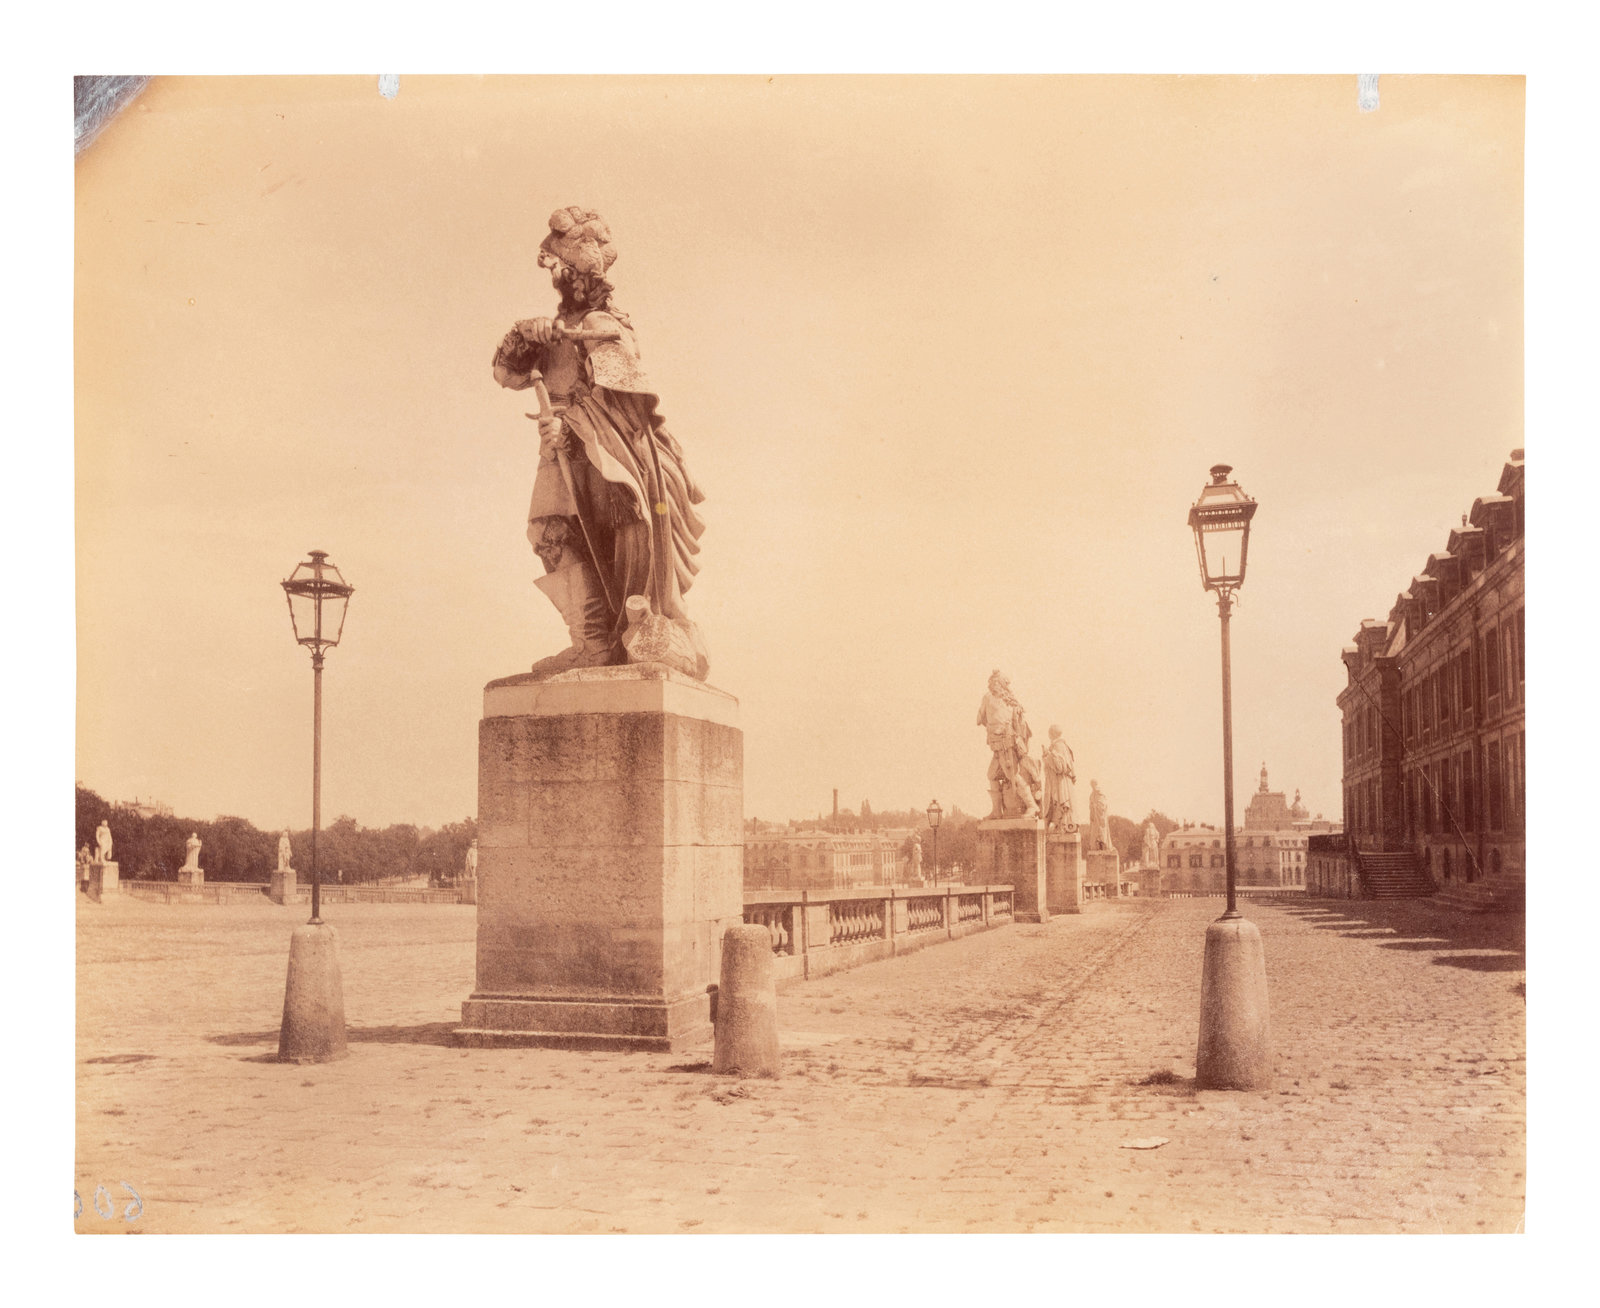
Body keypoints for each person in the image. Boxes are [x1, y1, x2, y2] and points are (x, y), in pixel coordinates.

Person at [492, 206, 708, 678]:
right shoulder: (551, 331)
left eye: (564, 270)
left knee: (622, 533)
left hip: (611, 453)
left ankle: (632, 635)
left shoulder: (608, 325)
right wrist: (523, 334)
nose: (559, 279)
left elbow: (619, 397)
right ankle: (590, 642)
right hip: (563, 449)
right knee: (549, 531)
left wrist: (568, 426)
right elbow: (504, 373)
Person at [976, 671, 1039, 818]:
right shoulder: (988, 698)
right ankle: (997, 811)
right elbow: (979, 719)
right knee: (992, 775)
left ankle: (1032, 806)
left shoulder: (1010, 702)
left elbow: (1019, 725)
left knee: (1013, 775)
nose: (993, 685)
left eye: (996, 682)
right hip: (996, 743)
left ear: (1002, 684)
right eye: (991, 683)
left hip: (1007, 742)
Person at [1041, 725, 1075, 829]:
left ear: (1052, 734)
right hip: (1059, 780)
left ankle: (1059, 822)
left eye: (1049, 733)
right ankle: (1058, 822)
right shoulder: (1062, 746)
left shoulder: (1058, 746)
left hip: (1059, 781)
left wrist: (1047, 754)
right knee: (1057, 801)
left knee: (1058, 800)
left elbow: (1060, 767)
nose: (1048, 735)